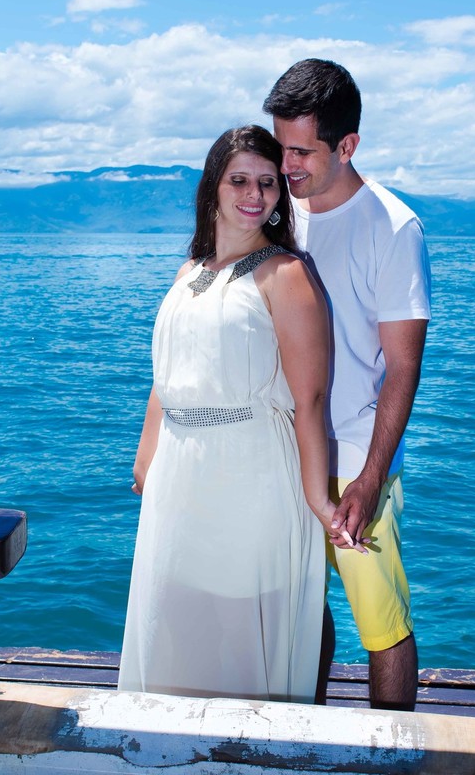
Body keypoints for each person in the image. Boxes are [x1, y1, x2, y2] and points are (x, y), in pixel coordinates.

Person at [118, 125, 364, 703]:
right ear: (213, 187)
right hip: (181, 473)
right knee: (178, 613)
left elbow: (311, 400)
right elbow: (166, 379)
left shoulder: (285, 274)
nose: (255, 195)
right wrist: (147, 460)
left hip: (251, 468)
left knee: (239, 622)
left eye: (268, 183)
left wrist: (318, 501)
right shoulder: (190, 271)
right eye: (240, 180)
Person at [264, 59, 431, 711]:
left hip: (357, 462)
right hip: (284, 456)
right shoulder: (283, 216)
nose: (288, 164)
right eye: (281, 147)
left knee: (382, 626)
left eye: (302, 150)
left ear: (348, 146)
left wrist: (370, 478)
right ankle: (308, 734)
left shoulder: (393, 228)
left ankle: (392, 751)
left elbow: (403, 367)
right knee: (301, 613)